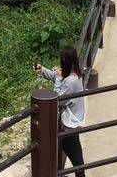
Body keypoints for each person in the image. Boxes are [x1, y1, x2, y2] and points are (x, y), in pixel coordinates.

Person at [36, 45, 87, 176]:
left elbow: (57, 99)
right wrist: (43, 70)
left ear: (65, 60)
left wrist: (58, 79)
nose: (59, 62)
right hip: (72, 123)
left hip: (69, 126)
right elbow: (57, 76)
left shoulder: (71, 82)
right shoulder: (75, 72)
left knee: (77, 161)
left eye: (60, 60)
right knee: (76, 159)